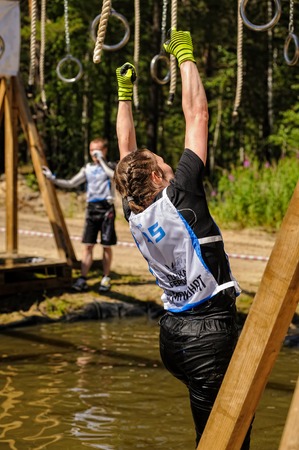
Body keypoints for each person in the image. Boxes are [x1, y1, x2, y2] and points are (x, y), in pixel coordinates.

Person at [114, 29, 252, 448]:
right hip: (207, 336)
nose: (170, 164)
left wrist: (125, 94)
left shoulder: (134, 211)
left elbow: (126, 154)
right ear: (158, 176)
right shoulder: (181, 197)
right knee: (226, 439)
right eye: (162, 162)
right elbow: (197, 115)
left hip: (174, 336)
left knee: (225, 431)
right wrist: (185, 56)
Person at [42, 137, 117, 293]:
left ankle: (106, 277)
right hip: (91, 209)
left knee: (106, 245)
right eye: (91, 150)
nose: (93, 153)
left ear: (104, 150)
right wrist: (52, 178)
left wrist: (101, 160)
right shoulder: (87, 168)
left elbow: (114, 176)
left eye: (97, 150)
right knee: (88, 245)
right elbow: (71, 183)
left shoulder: (110, 166)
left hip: (107, 209)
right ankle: (82, 278)